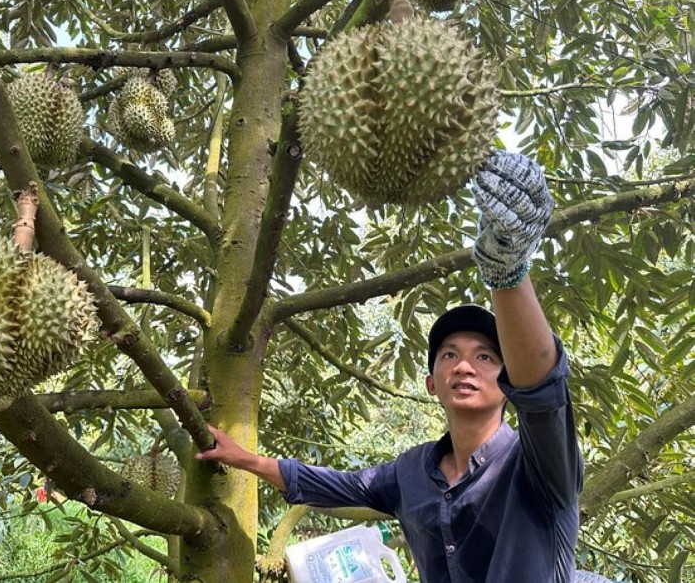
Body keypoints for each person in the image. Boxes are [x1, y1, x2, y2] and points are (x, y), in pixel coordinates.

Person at [196, 152, 585, 583]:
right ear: (431, 384)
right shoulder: (410, 473)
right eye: (449, 355)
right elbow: (333, 484)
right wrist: (243, 458)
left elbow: (543, 393)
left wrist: (507, 271)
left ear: (507, 380)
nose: (465, 367)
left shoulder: (539, 462)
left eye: (486, 357)